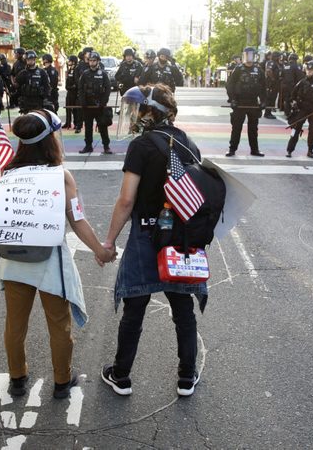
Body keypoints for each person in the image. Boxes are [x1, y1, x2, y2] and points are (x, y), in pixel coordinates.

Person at [0, 109, 115, 399]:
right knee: (59, 324)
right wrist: (101, 251)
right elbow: (78, 220)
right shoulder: (61, 175)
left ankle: (17, 379)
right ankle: (61, 381)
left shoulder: (6, 173)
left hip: (14, 259)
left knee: (15, 324)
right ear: (51, 140)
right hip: (49, 263)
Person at [99, 83, 205, 397]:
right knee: (182, 306)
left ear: (149, 112)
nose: (131, 116)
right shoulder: (187, 142)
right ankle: (187, 376)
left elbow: (126, 200)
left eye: (136, 109)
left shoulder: (141, 146)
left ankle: (122, 375)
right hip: (179, 238)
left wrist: (109, 241)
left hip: (145, 234)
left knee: (135, 307)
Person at [225, 47, 267, 157]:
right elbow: (230, 85)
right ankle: (232, 149)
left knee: (253, 129)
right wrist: (232, 99)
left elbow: (264, 87)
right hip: (239, 103)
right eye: (247, 55)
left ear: (254, 56)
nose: (249, 57)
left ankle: (255, 150)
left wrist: (263, 101)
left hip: (253, 103)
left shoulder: (259, 70)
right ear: (244, 55)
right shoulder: (238, 69)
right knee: (236, 127)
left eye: (251, 55)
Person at [286, 61, 313, 158]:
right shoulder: (301, 82)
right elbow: (293, 95)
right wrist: (294, 103)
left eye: (310, 70)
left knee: (312, 131)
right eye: (307, 70)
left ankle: (310, 150)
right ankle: (289, 150)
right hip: (302, 108)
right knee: (296, 128)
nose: (308, 72)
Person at [78, 51, 111, 154]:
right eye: (90, 60)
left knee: (102, 126)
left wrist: (103, 103)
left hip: (99, 106)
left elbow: (108, 89)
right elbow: (80, 89)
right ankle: (88, 146)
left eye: (94, 61)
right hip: (88, 106)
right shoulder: (85, 74)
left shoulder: (103, 74)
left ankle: (106, 146)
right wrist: (82, 102)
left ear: (98, 61)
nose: (92, 62)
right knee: (88, 127)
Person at [280, 53, 304, 117]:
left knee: (286, 100)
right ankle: (294, 113)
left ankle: (286, 113)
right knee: (294, 99)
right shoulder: (296, 66)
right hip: (293, 86)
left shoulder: (285, 66)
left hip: (285, 86)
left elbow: (281, 76)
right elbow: (300, 77)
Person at [263, 51, 281, 119]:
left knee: (273, 98)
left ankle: (269, 112)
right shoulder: (271, 62)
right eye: (278, 56)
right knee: (270, 98)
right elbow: (268, 70)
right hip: (270, 84)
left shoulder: (276, 63)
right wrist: (273, 79)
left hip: (275, 84)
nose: (279, 58)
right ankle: (267, 113)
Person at [64, 55, 79, 129]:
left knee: (75, 109)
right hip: (69, 93)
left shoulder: (76, 70)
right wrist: (68, 87)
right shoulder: (69, 70)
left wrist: (72, 87)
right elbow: (68, 81)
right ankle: (68, 123)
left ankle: (76, 123)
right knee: (68, 108)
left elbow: (76, 83)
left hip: (75, 93)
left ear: (73, 62)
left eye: (70, 61)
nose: (68, 62)